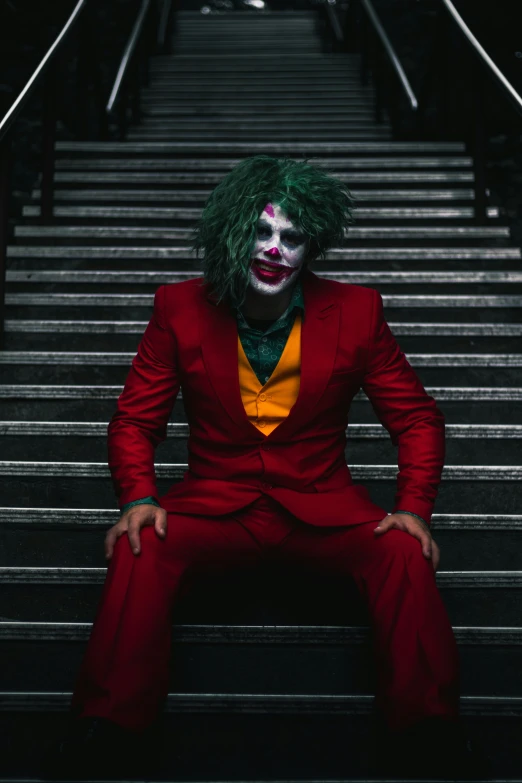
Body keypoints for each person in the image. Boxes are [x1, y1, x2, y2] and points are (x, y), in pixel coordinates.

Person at [41, 155, 491, 780]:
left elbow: (416, 417)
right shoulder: (179, 308)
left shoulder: (357, 312)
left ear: (311, 249)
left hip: (321, 510)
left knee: (402, 554)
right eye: (261, 231)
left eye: (292, 237)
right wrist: (137, 498)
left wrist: (414, 507)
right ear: (233, 232)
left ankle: (429, 734)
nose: (274, 250)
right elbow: (134, 421)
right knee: (140, 544)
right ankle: (108, 731)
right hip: (215, 508)